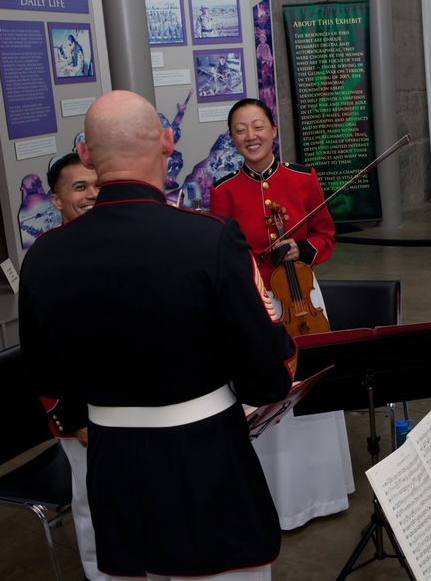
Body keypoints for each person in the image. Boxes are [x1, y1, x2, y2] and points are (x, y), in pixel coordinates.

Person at [20, 90, 298, 581]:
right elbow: (267, 375)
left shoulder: (43, 256)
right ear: (167, 142)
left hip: (111, 467)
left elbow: (42, 371)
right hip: (206, 462)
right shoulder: (210, 238)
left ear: (86, 154)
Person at [209, 98, 354, 530]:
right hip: (258, 305)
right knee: (268, 393)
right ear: (232, 139)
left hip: (304, 298)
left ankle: (323, 490)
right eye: (240, 129)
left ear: (274, 130)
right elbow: (222, 256)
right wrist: (256, 260)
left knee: (313, 388)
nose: (250, 136)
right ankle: (277, 499)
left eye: (258, 126)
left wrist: (302, 249)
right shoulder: (223, 192)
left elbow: (326, 233)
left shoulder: (303, 179)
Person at [39, 152, 104, 581]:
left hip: (133, 404)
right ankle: (102, 573)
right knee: (93, 499)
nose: (91, 195)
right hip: (85, 413)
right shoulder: (46, 260)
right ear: (57, 200)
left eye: (97, 185)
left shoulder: (124, 242)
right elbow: (43, 352)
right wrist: (73, 417)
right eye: (79, 187)